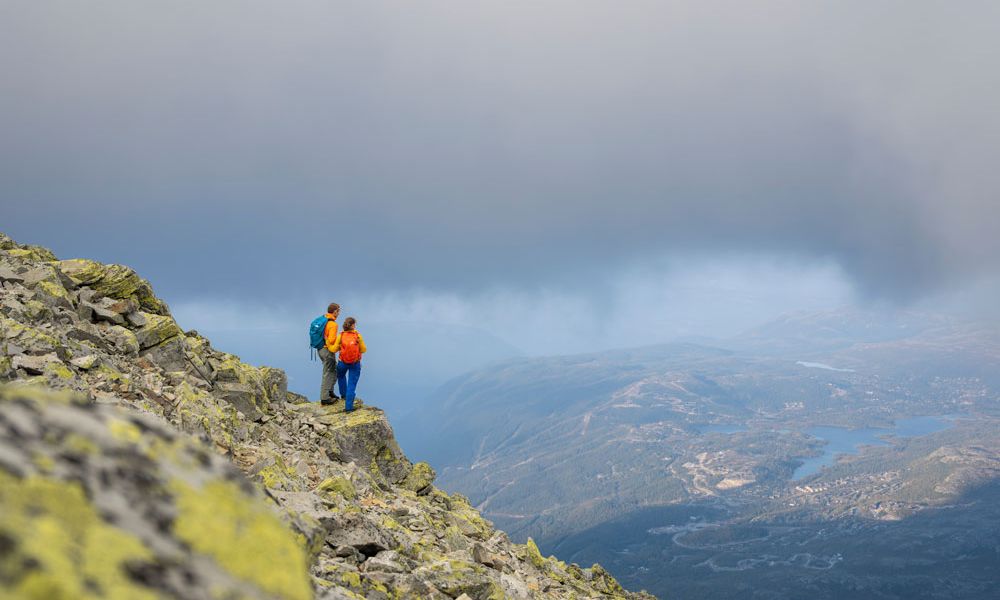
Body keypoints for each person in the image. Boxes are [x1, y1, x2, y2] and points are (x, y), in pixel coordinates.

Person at [332, 316, 366, 412]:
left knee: (341, 376)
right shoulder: (358, 336)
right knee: (352, 384)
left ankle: (343, 395)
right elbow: (363, 350)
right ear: (352, 326)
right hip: (355, 363)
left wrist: (329, 344)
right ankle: (348, 408)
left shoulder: (341, 335)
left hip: (342, 362)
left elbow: (334, 349)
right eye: (354, 324)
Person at [318, 303, 340, 405]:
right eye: (338, 311)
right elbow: (331, 340)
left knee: (332, 371)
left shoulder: (323, 319)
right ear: (335, 311)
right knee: (328, 373)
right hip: (327, 350)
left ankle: (330, 392)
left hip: (320, 349)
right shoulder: (333, 324)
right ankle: (325, 398)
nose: (339, 313)